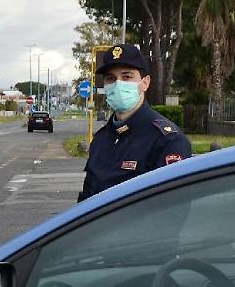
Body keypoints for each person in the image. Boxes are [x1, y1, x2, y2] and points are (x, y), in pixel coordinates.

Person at [78, 44, 192, 202]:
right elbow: (86, 200)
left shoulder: (167, 141)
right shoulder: (101, 139)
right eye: (111, 78)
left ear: (145, 83)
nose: (117, 84)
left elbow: (172, 210)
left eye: (127, 77)